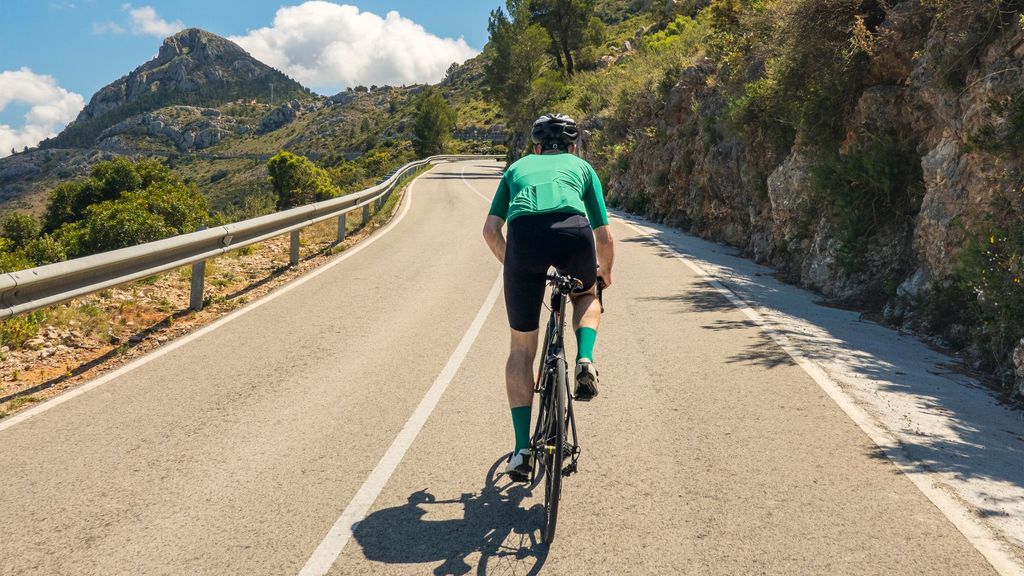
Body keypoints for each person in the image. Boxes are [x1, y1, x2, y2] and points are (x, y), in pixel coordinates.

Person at [481, 113, 615, 479]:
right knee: (587, 297)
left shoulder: (517, 168)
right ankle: (585, 360)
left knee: (521, 349)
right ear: (574, 147)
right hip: (574, 233)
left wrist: (518, 267)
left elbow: (491, 230)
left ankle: (522, 449)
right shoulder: (582, 168)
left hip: (524, 238)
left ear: (536, 148)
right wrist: (604, 274)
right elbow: (604, 236)